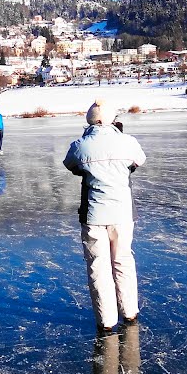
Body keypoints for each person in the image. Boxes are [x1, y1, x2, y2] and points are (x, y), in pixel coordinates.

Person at [63, 100, 147, 335]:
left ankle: (106, 319)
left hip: (93, 213)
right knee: (123, 261)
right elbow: (138, 161)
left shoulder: (80, 145)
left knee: (98, 266)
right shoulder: (127, 141)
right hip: (122, 212)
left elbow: (71, 165)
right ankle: (130, 311)